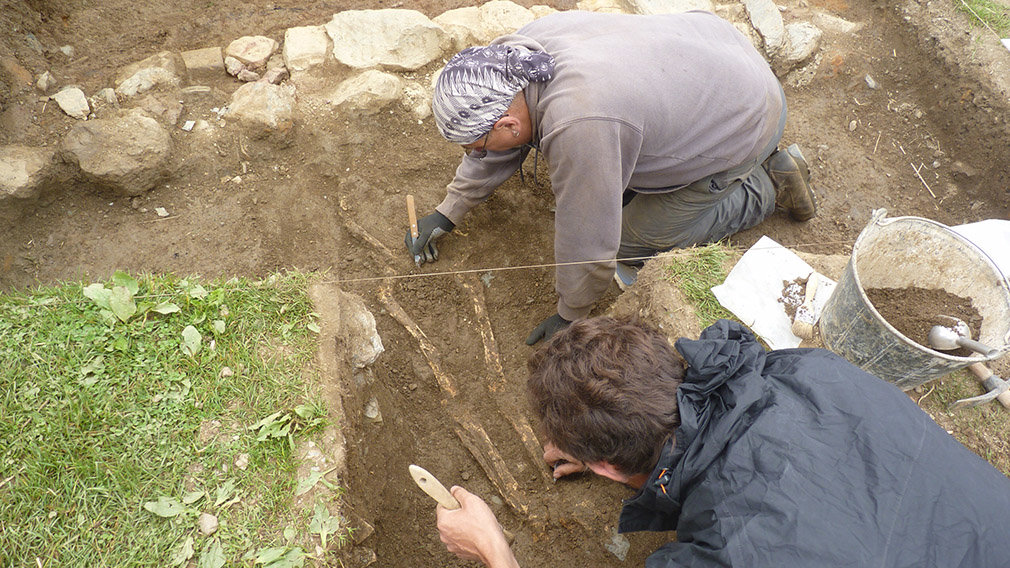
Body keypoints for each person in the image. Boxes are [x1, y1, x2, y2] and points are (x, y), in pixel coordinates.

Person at [435, 317, 1010, 567]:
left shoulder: (726, 555)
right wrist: (614, 444)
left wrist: (493, 549)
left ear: (606, 468)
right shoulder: (809, 371)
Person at [406, 10, 817, 346]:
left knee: (627, 240)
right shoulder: (521, 55)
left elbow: (589, 240)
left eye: (476, 147)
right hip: (718, 54)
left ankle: (767, 186)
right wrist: (449, 210)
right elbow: (505, 138)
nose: (476, 155)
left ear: (508, 125)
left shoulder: (580, 123)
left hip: (749, 117)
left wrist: (571, 314)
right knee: (611, 172)